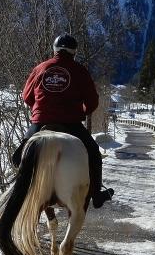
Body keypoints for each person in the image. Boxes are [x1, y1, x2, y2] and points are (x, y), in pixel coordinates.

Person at [15, 34, 115, 208]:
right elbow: (92, 102)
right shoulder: (80, 71)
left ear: (55, 50)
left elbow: (26, 96)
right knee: (94, 153)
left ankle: (18, 192)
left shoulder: (40, 68)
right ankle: (97, 195)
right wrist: (83, 112)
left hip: (41, 122)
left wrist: (38, 110)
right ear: (74, 52)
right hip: (71, 123)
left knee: (18, 156)